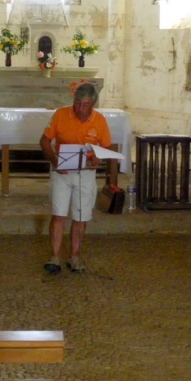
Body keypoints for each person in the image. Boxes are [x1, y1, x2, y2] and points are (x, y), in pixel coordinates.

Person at [39, 82, 112, 274]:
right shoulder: (61, 114)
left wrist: (98, 157)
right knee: (59, 214)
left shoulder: (100, 120)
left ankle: (75, 257)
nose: (80, 108)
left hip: (85, 174)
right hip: (61, 172)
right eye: (78, 103)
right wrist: (55, 162)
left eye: (85, 104)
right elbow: (44, 140)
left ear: (93, 104)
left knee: (81, 217)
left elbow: (106, 146)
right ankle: (54, 257)